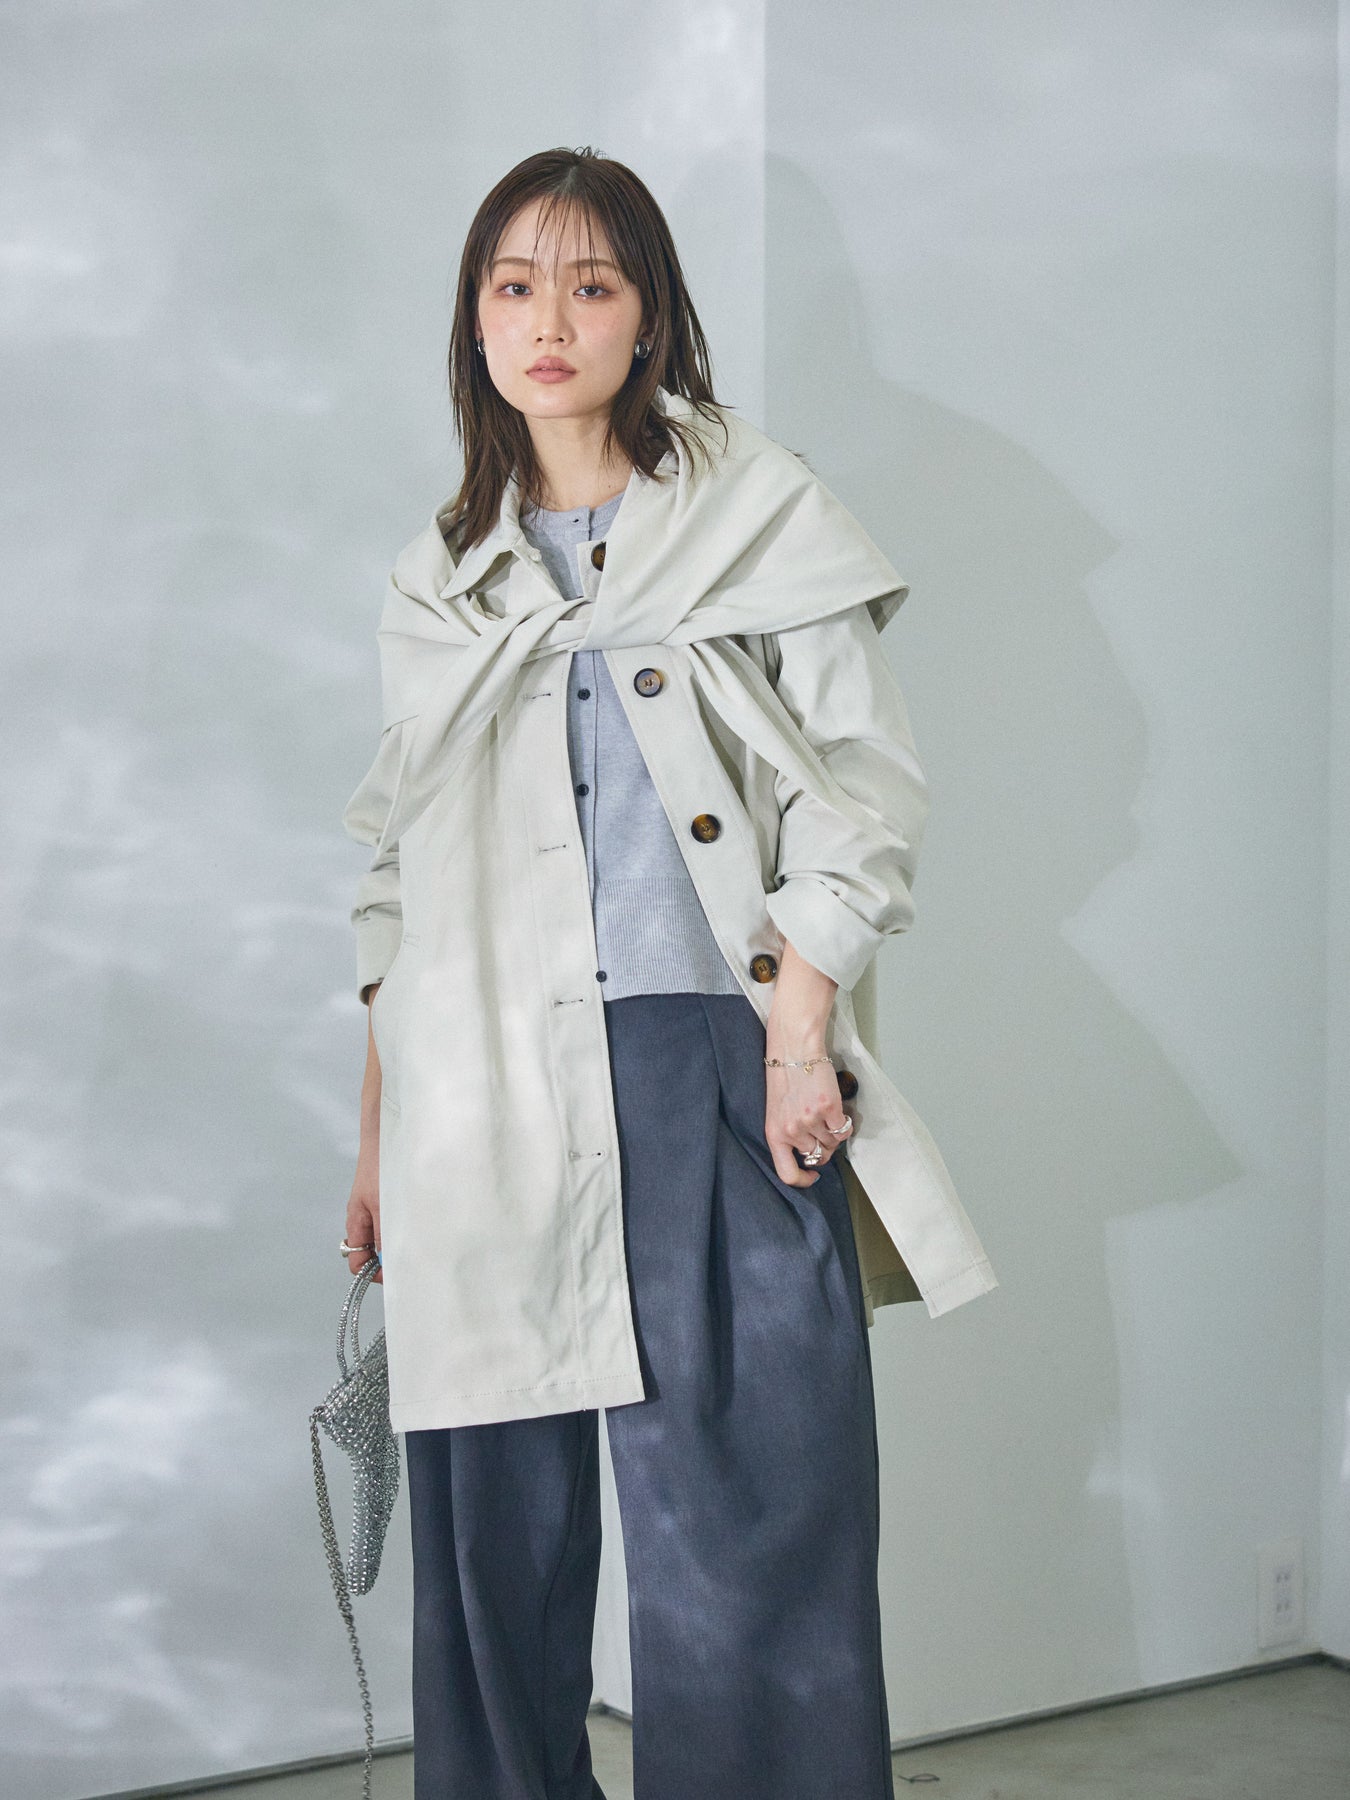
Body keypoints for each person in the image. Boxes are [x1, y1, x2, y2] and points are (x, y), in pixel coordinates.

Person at [340, 144, 992, 1800]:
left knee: (754, 1529)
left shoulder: (759, 515)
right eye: (512, 286)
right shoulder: (440, 576)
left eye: (590, 283)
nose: (547, 321)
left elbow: (860, 796)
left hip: (708, 1066)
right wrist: (377, 1139)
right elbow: (396, 884)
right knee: (493, 1557)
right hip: (479, 1095)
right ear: (473, 320)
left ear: (648, 314)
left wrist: (799, 1033)